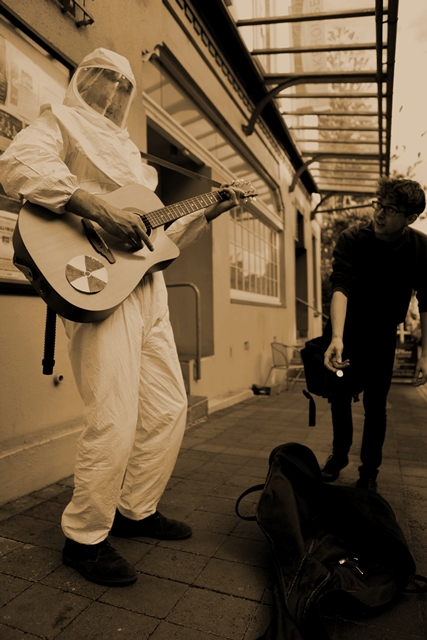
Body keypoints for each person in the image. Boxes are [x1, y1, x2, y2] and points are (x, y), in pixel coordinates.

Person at [0, 48, 244, 586]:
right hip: (95, 282)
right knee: (113, 414)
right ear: (84, 79)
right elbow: (17, 167)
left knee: (166, 407)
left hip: (146, 288)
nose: (112, 92)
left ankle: (136, 508)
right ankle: (84, 538)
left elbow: (159, 240)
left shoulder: (134, 159)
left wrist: (210, 209)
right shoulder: (57, 121)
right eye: (104, 79)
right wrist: (96, 208)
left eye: (122, 84)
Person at [321, 177, 427, 492]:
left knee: (376, 406)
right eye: (377, 204)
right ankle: (339, 456)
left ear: (409, 217)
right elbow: (341, 285)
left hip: (382, 338)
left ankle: (369, 471)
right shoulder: (352, 238)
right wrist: (336, 337)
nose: (379, 214)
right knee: (339, 397)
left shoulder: (421, 248)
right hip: (346, 332)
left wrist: (425, 354)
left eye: (390, 209)